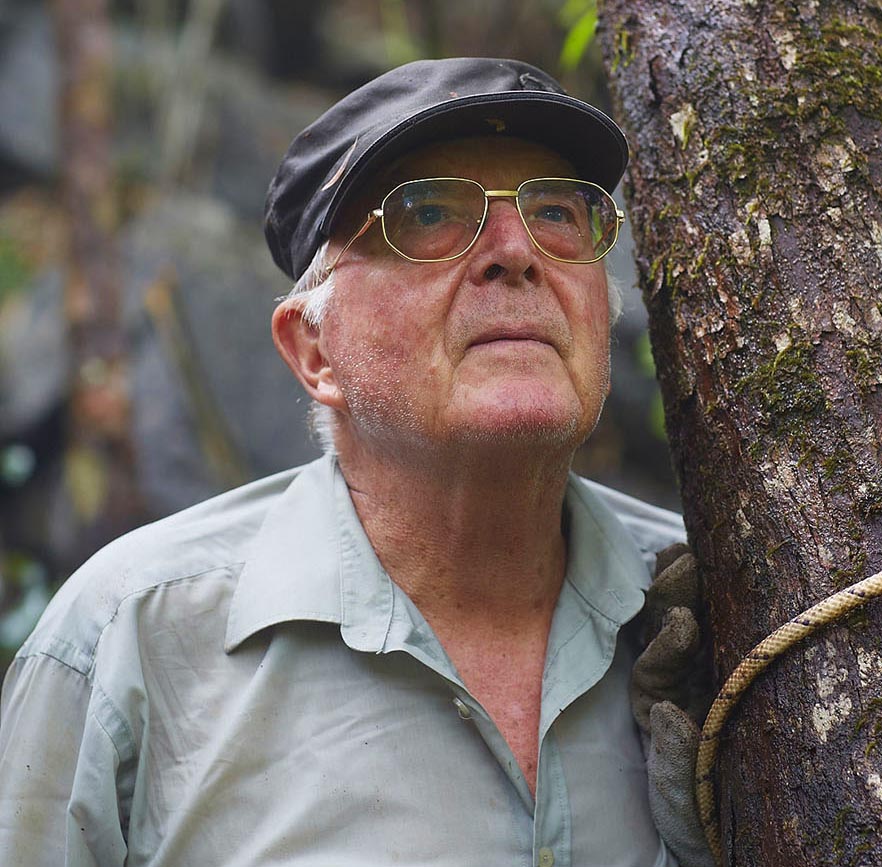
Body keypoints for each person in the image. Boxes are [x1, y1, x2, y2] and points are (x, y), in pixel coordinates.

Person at [0, 57, 711, 866]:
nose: (516, 251)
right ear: (314, 350)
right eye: (430, 212)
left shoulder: (717, 608)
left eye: (556, 210)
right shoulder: (128, 641)